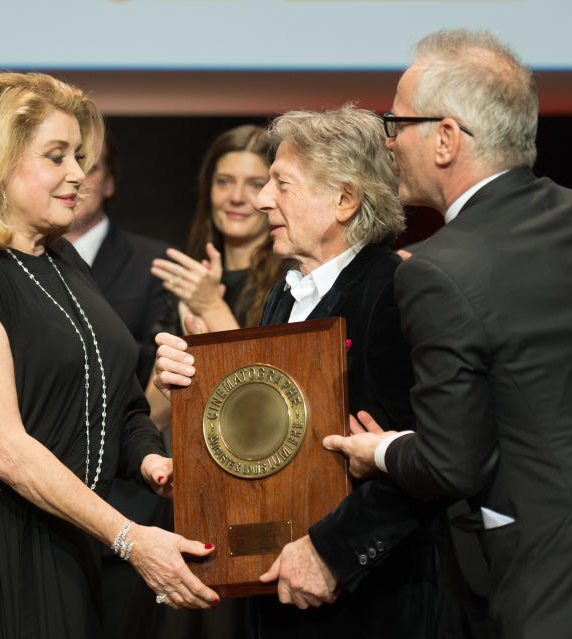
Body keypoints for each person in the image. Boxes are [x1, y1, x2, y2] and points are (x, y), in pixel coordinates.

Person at [323, 29, 572, 638]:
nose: (387, 141)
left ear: (445, 138)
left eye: (395, 122)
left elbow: (448, 465)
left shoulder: (438, 270)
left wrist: (378, 450)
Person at [0, 71, 219, 639]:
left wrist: (150, 459)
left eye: (78, 156)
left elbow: (118, 404)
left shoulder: (64, 262)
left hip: (66, 532)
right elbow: (4, 451)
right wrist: (127, 536)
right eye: (57, 157)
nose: (78, 174)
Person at [154, 106, 457, 639]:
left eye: (281, 183)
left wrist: (331, 554)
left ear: (344, 200)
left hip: (371, 604)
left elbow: (431, 459)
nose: (262, 199)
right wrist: (189, 396)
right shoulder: (285, 294)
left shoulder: (393, 291)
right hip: (283, 596)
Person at [63, 129, 172, 387]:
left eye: (90, 168)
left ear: (109, 183)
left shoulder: (155, 263)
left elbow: (158, 363)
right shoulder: (17, 257)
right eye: (67, 162)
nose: (77, 178)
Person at [150, 124, 281, 333]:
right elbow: (155, 363)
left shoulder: (289, 283)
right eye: (224, 182)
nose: (236, 197)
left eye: (256, 184)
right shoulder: (191, 278)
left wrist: (211, 306)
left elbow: (269, 366)